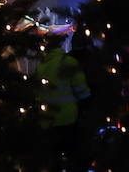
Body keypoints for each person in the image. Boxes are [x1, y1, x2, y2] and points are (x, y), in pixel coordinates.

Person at [36, 34, 90, 170]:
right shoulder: (68, 62)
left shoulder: (41, 67)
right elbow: (82, 91)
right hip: (68, 118)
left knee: (54, 160)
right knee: (73, 156)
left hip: (48, 121)